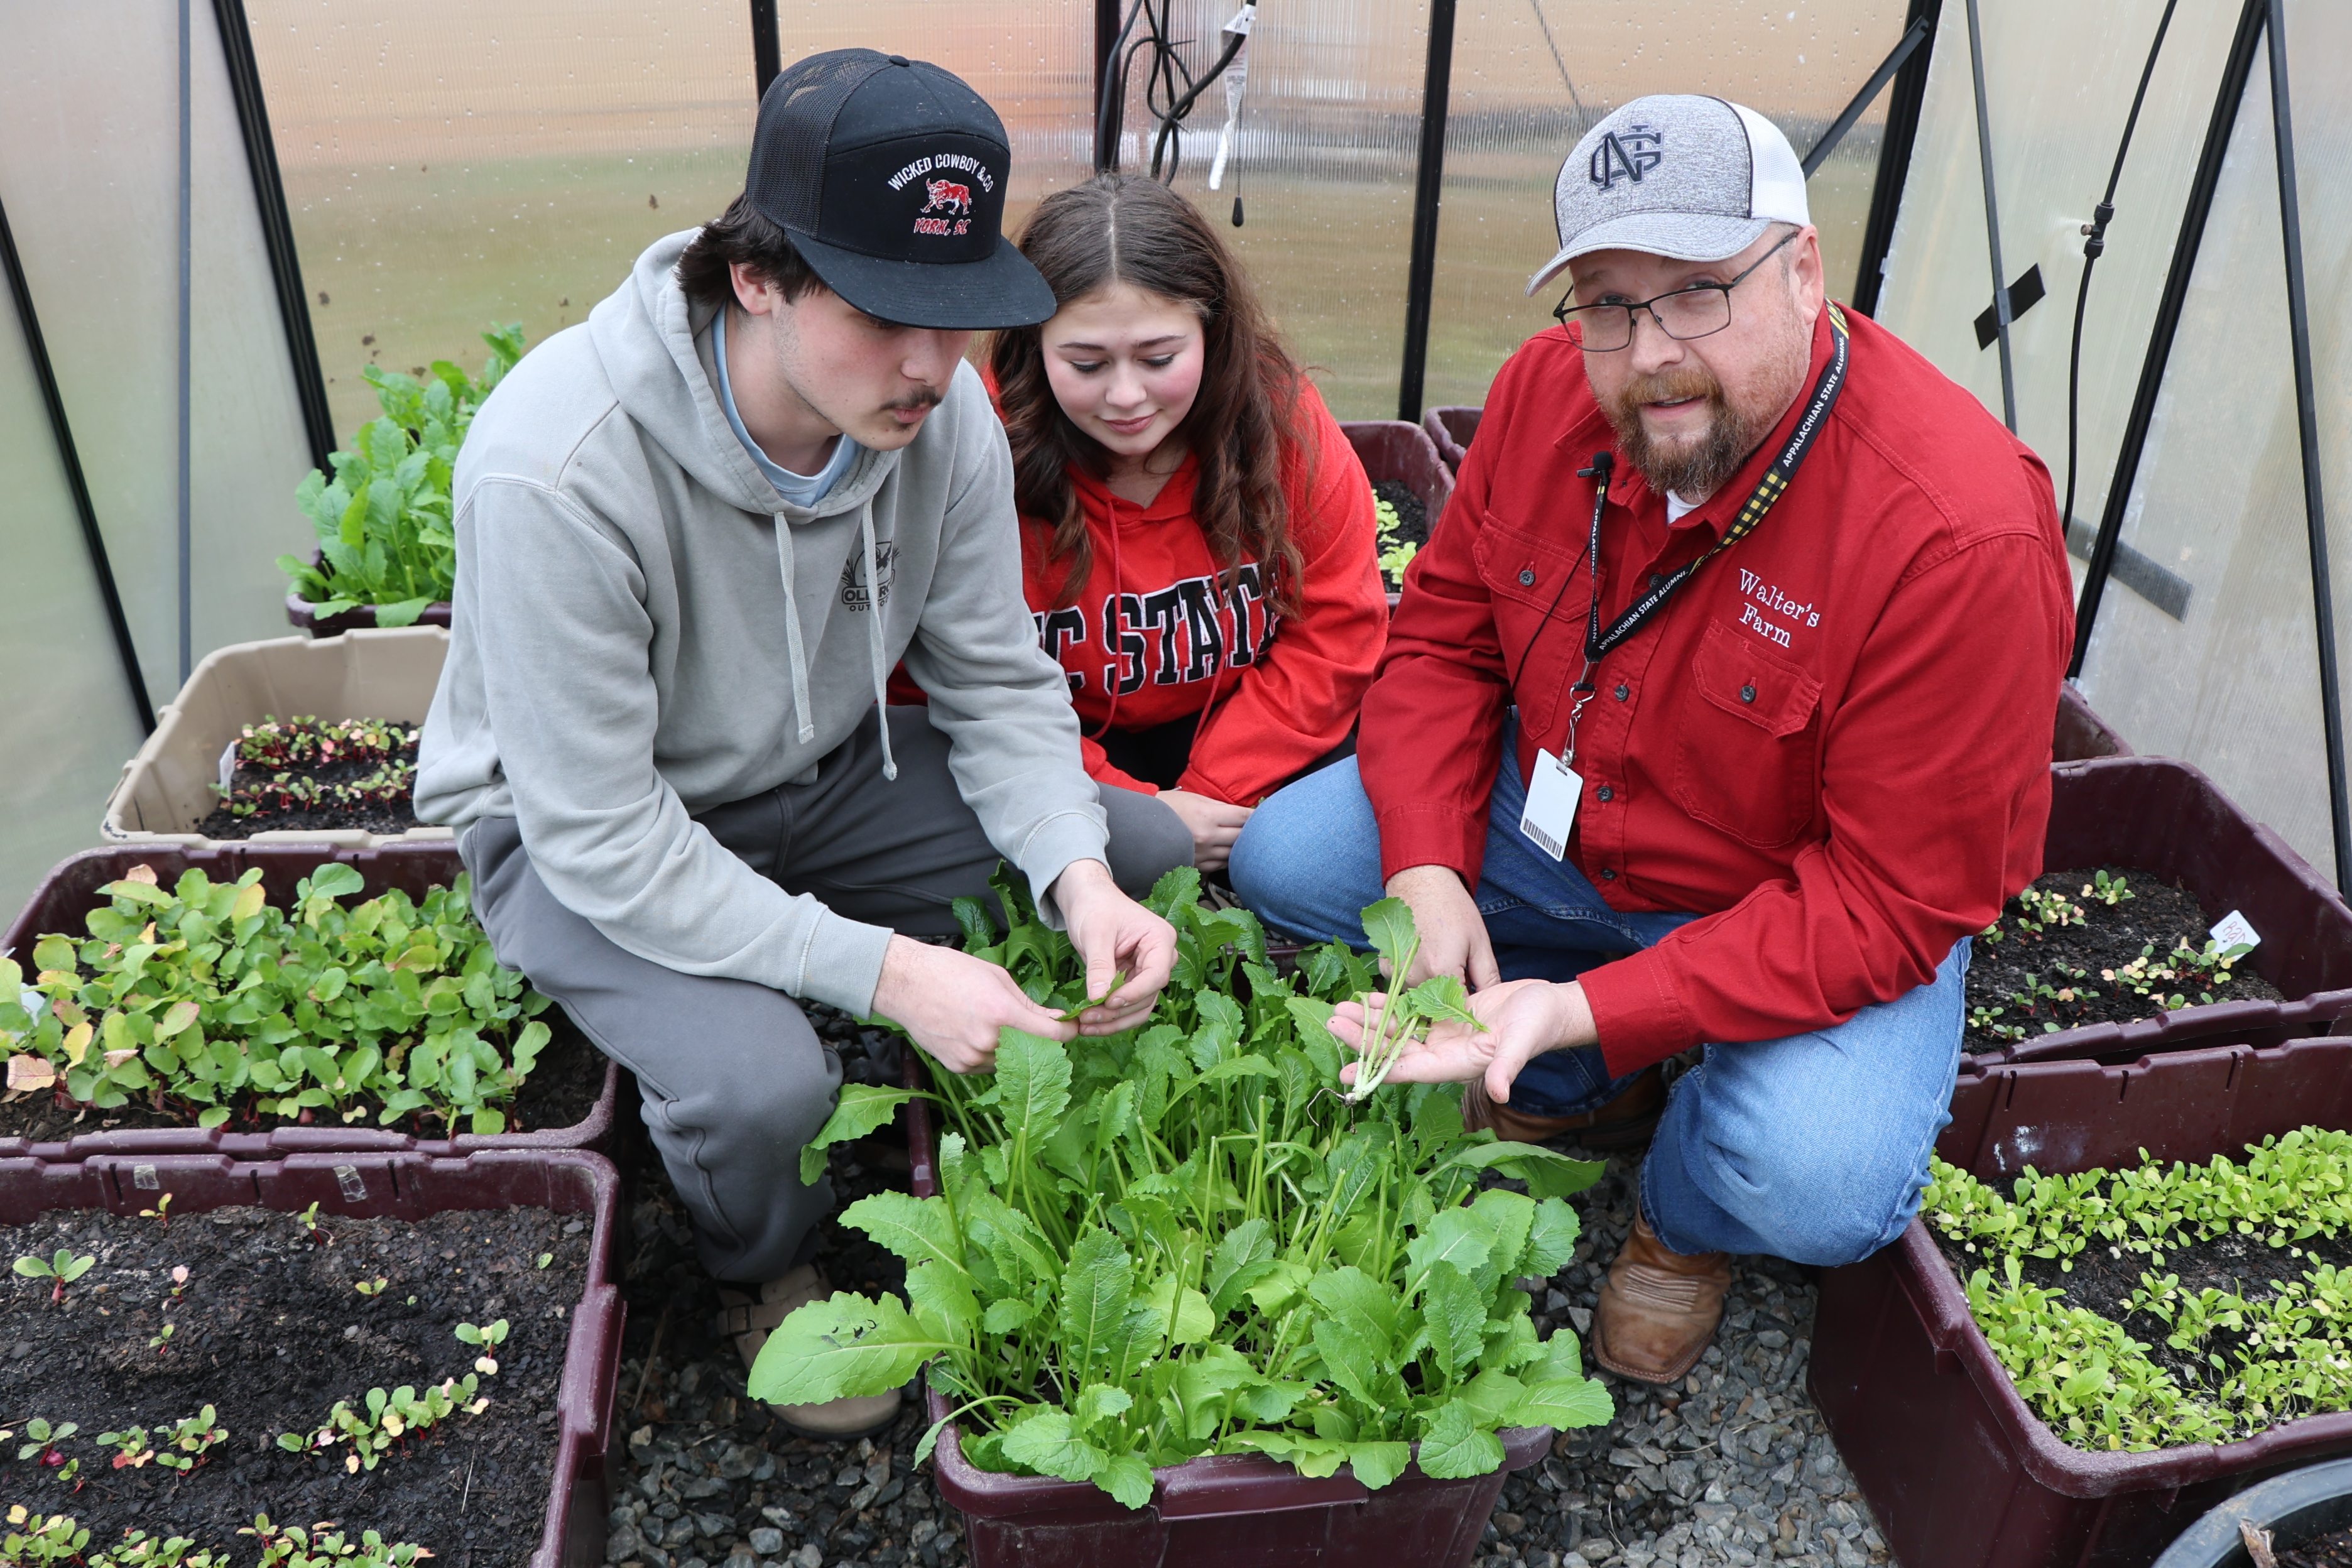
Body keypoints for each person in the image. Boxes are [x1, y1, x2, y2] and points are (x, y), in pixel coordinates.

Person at [1229, 95, 2072, 1384]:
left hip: (1789, 898)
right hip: (1562, 824)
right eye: (1608, 305)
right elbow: (1448, 635)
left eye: (1696, 292)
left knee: (1823, 1178)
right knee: (1291, 856)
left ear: (1802, 270)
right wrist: (1428, 868)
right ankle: (1590, 1082)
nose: (1650, 353)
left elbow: (1899, 895)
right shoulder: (1541, 396)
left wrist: (1594, 1003)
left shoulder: (1957, 534)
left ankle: (1681, 1219)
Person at [414, 50, 1192, 1439]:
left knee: (1129, 841)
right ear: (755, 277)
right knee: (767, 1080)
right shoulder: (560, 466)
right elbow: (600, 833)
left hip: (824, 783)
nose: (929, 364)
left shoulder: (937, 412)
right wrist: (890, 975)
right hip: (580, 832)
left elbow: (997, 685)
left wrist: (1078, 880)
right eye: (885, 312)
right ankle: (756, 1265)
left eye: (957, 319)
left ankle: (999, 1045)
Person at [984, 173, 1388, 873]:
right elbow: (962, 679)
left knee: (1299, 857)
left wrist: (1209, 794)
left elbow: (1336, 630)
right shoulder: (984, 446)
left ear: (1213, 330)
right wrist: (1138, 814)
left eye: (1159, 358)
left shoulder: (1281, 428)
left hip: (1247, 731)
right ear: (1033, 346)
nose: (1125, 396)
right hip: (1061, 745)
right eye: (1085, 363)